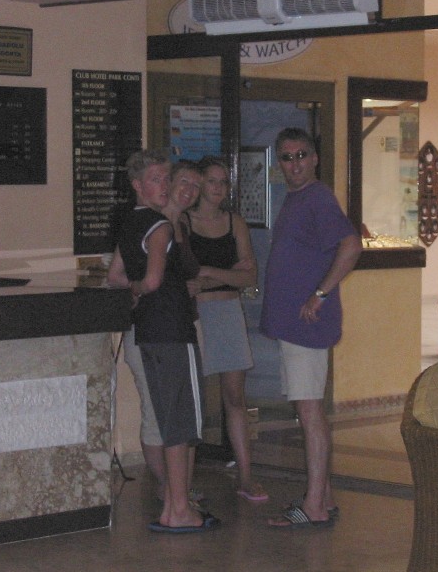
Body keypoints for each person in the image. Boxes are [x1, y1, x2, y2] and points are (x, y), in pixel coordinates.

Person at [108, 150, 218, 533]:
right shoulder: (159, 226)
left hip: (147, 332)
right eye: (156, 179)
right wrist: (141, 287)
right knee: (180, 422)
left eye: (166, 178)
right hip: (171, 330)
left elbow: (115, 275)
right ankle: (178, 510)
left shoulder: (130, 222)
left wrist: (133, 288)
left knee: (168, 417)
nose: (164, 186)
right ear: (138, 185)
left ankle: (173, 503)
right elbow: (152, 280)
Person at [260, 128, 362, 528]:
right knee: (307, 408)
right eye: (287, 157)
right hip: (293, 325)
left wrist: (320, 294)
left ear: (315, 157)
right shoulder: (297, 198)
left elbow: (351, 246)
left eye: (301, 154)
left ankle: (314, 506)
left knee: (309, 412)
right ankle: (325, 497)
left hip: (307, 324)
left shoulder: (318, 197)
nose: (295, 163)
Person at [187, 155, 268, 502]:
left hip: (227, 312)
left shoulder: (234, 223)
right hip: (194, 314)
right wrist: (224, 274)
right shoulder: (183, 221)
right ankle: (182, 482)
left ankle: (245, 476)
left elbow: (249, 276)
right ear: (199, 184)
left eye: (224, 182)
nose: (219, 188)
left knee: (235, 397)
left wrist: (209, 272)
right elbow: (185, 280)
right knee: (192, 400)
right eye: (212, 181)